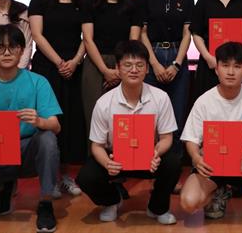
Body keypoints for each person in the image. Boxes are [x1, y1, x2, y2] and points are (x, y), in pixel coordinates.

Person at [0, 24, 62, 233]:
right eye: (0, 48)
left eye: (12, 47)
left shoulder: (38, 82)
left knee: (48, 138)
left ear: (22, 50)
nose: (6, 53)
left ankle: (46, 203)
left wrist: (39, 121)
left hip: (28, 151)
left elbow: (55, 125)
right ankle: (1, 198)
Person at [179, 42, 242, 233]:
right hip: (213, 167)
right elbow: (191, 139)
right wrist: (195, 157)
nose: (230, 72)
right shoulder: (204, 100)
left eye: (237, 66)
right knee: (188, 202)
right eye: (225, 65)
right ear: (216, 69)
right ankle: (219, 191)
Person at [76, 40, 181, 224]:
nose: (134, 70)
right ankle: (112, 201)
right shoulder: (104, 103)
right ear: (118, 68)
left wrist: (156, 153)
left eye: (139, 65)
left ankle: (157, 208)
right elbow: (97, 146)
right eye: (128, 65)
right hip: (115, 158)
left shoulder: (160, 98)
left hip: (149, 157)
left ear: (147, 69)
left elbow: (166, 138)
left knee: (173, 163)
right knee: (86, 178)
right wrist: (108, 163)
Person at [28, 0, 87, 197]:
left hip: (74, 68)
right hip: (47, 69)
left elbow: (87, 37)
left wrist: (74, 61)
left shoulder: (82, 0)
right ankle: (49, 178)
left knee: (71, 122)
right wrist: (60, 62)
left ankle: (66, 176)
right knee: (49, 121)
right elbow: (37, 35)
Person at [137, 0, 194, 155]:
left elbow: (188, 34)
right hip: (152, 56)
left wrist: (177, 64)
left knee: (177, 115)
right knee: (149, 114)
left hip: (178, 56)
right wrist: (153, 63)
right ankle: (147, 163)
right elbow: (142, 33)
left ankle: (173, 166)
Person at [81, 0, 142, 136]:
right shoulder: (90, 3)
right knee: (94, 114)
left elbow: (133, 41)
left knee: (123, 115)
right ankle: (95, 152)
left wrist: (120, 69)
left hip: (124, 63)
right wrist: (105, 70)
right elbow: (88, 39)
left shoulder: (133, 5)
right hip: (95, 63)